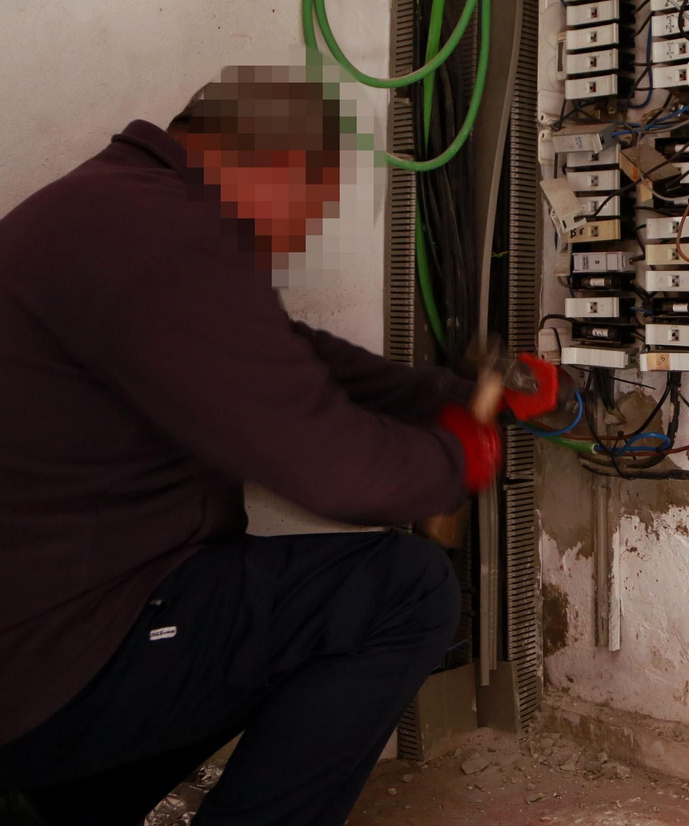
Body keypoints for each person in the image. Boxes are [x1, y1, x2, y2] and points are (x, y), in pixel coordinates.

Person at [0, 69, 503, 826]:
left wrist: (440, 396)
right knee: (404, 590)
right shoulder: (163, 239)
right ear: (268, 163)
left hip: (48, 633)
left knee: (236, 599)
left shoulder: (114, 208)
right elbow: (332, 471)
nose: (300, 237)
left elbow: (285, 352)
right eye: (312, 207)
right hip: (50, 658)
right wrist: (457, 459)